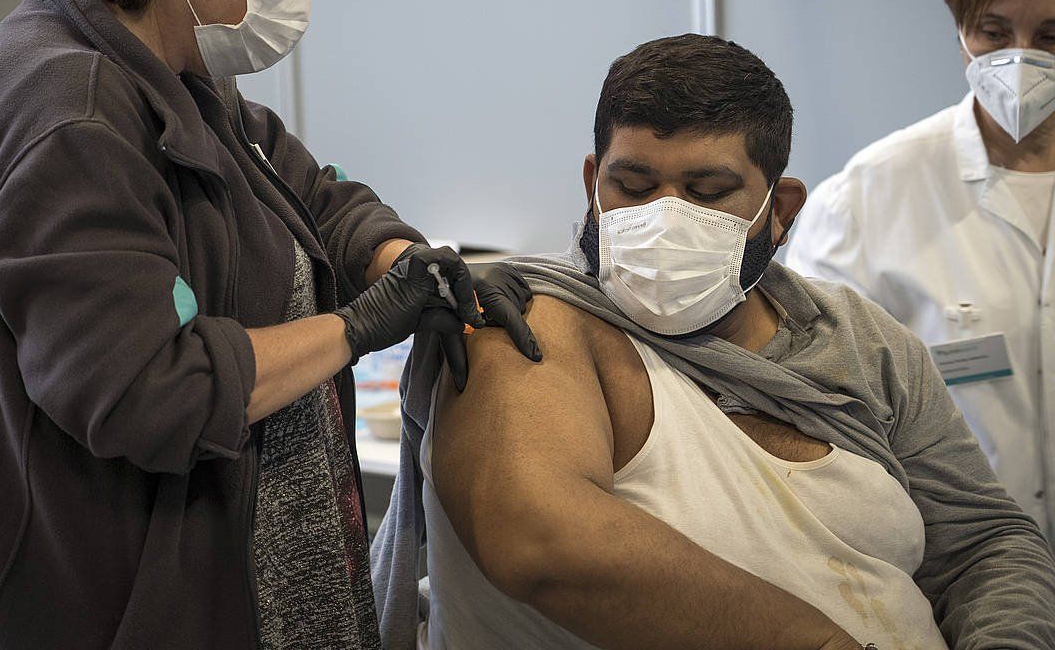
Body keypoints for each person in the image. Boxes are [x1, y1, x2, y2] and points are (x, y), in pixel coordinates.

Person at [0, 0, 541, 648]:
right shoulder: (74, 117)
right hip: (114, 603)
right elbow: (151, 391)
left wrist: (409, 263)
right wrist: (356, 330)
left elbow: (314, 194)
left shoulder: (174, 73)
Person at [371, 35, 1055, 650]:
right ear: (592, 184)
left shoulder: (861, 342)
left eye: (708, 192)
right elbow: (542, 543)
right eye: (634, 186)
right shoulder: (528, 323)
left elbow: (985, 547)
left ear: (780, 209)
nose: (663, 217)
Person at [786, 0, 1055, 540]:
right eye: (993, 31)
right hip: (953, 565)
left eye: (1051, 36)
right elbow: (814, 408)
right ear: (960, 32)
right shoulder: (869, 196)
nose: (1020, 61)